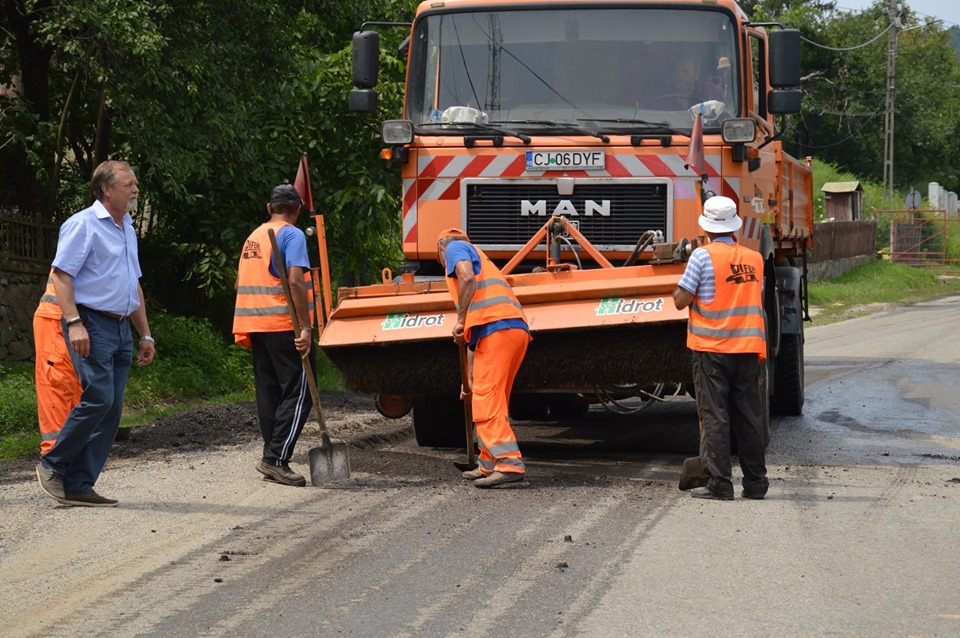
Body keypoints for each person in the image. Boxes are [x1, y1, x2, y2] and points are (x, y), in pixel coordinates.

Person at [35, 160, 156, 507]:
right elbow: (61, 276)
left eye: (135, 183)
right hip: (91, 322)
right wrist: (74, 323)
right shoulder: (83, 225)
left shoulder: (128, 228)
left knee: (113, 409)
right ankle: (52, 464)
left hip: (120, 328)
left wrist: (144, 334)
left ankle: (78, 484)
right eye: (128, 184)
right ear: (106, 189)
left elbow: (132, 285)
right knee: (100, 397)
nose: (135, 190)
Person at [672, 196, 769, 501]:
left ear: (708, 228)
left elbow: (681, 300)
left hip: (711, 349)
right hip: (748, 349)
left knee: (715, 416)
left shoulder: (701, 257)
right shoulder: (755, 259)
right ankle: (756, 484)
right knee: (750, 417)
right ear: (734, 227)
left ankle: (720, 483)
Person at [233, 184, 315, 487]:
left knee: (269, 392)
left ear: (270, 208)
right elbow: (295, 282)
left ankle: (272, 455)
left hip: (255, 324)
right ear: (297, 209)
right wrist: (305, 328)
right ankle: (276, 459)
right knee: (300, 390)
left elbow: (240, 282)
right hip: (283, 324)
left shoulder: (253, 236)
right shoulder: (292, 235)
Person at [437, 228, 531, 488]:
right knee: (491, 396)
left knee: (487, 401)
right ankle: (488, 463)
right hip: (508, 331)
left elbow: (466, 277)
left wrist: (460, 318)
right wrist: (468, 379)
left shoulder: (455, 247)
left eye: (440, 262)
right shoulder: (481, 263)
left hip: (498, 330)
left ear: (441, 250)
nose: (446, 268)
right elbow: (474, 341)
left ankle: (510, 463)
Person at [33, 269, 82, 455]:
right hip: (56, 319)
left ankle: (76, 446)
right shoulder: (79, 242)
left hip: (71, 321)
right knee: (57, 384)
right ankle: (54, 453)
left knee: (78, 385)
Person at [647, 50, 725, 109]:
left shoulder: (713, 93)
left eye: (685, 71)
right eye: (677, 71)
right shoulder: (660, 98)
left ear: (697, 73)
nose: (680, 75)